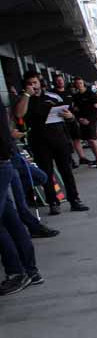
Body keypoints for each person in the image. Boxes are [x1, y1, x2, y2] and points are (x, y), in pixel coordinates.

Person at [12, 73, 87, 215]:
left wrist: (70, 117)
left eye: (35, 82)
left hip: (59, 138)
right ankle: (53, 202)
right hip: (38, 141)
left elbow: (69, 114)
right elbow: (19, 114)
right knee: (46, 172)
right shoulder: (23, 99)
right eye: (29, 83)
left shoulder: (53, 97)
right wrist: (27, 95)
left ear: (40, 83)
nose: (33, 85)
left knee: (66, 171)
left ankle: (74, 200)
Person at [0, 100, 41, 295]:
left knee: (8, 222)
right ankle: (30, 272)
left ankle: (17, 272)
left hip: (2, 164)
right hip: (4, 163)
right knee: (11, 220)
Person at [70, 77, 97, 168]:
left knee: (92, 139)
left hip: (91, 120)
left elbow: (96, 109)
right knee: (88, 140)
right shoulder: (76, 96)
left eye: (80, 83)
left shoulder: (91, 94)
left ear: (83, 84)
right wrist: (79, 119)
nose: (79, 85)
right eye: (77, 83)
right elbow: (75, 110)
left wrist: (89, 120)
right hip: (82, 120)